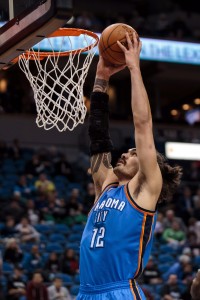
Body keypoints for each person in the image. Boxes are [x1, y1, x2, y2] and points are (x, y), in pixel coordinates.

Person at [77, 31, 182, 300]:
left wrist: (134, 67)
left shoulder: (145, 188)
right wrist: (101, 78)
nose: (124, 153)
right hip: (86, 292)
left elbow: (142, 125)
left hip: (119, 292)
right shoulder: (106, 186)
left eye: (134, 153)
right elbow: (98, 137)